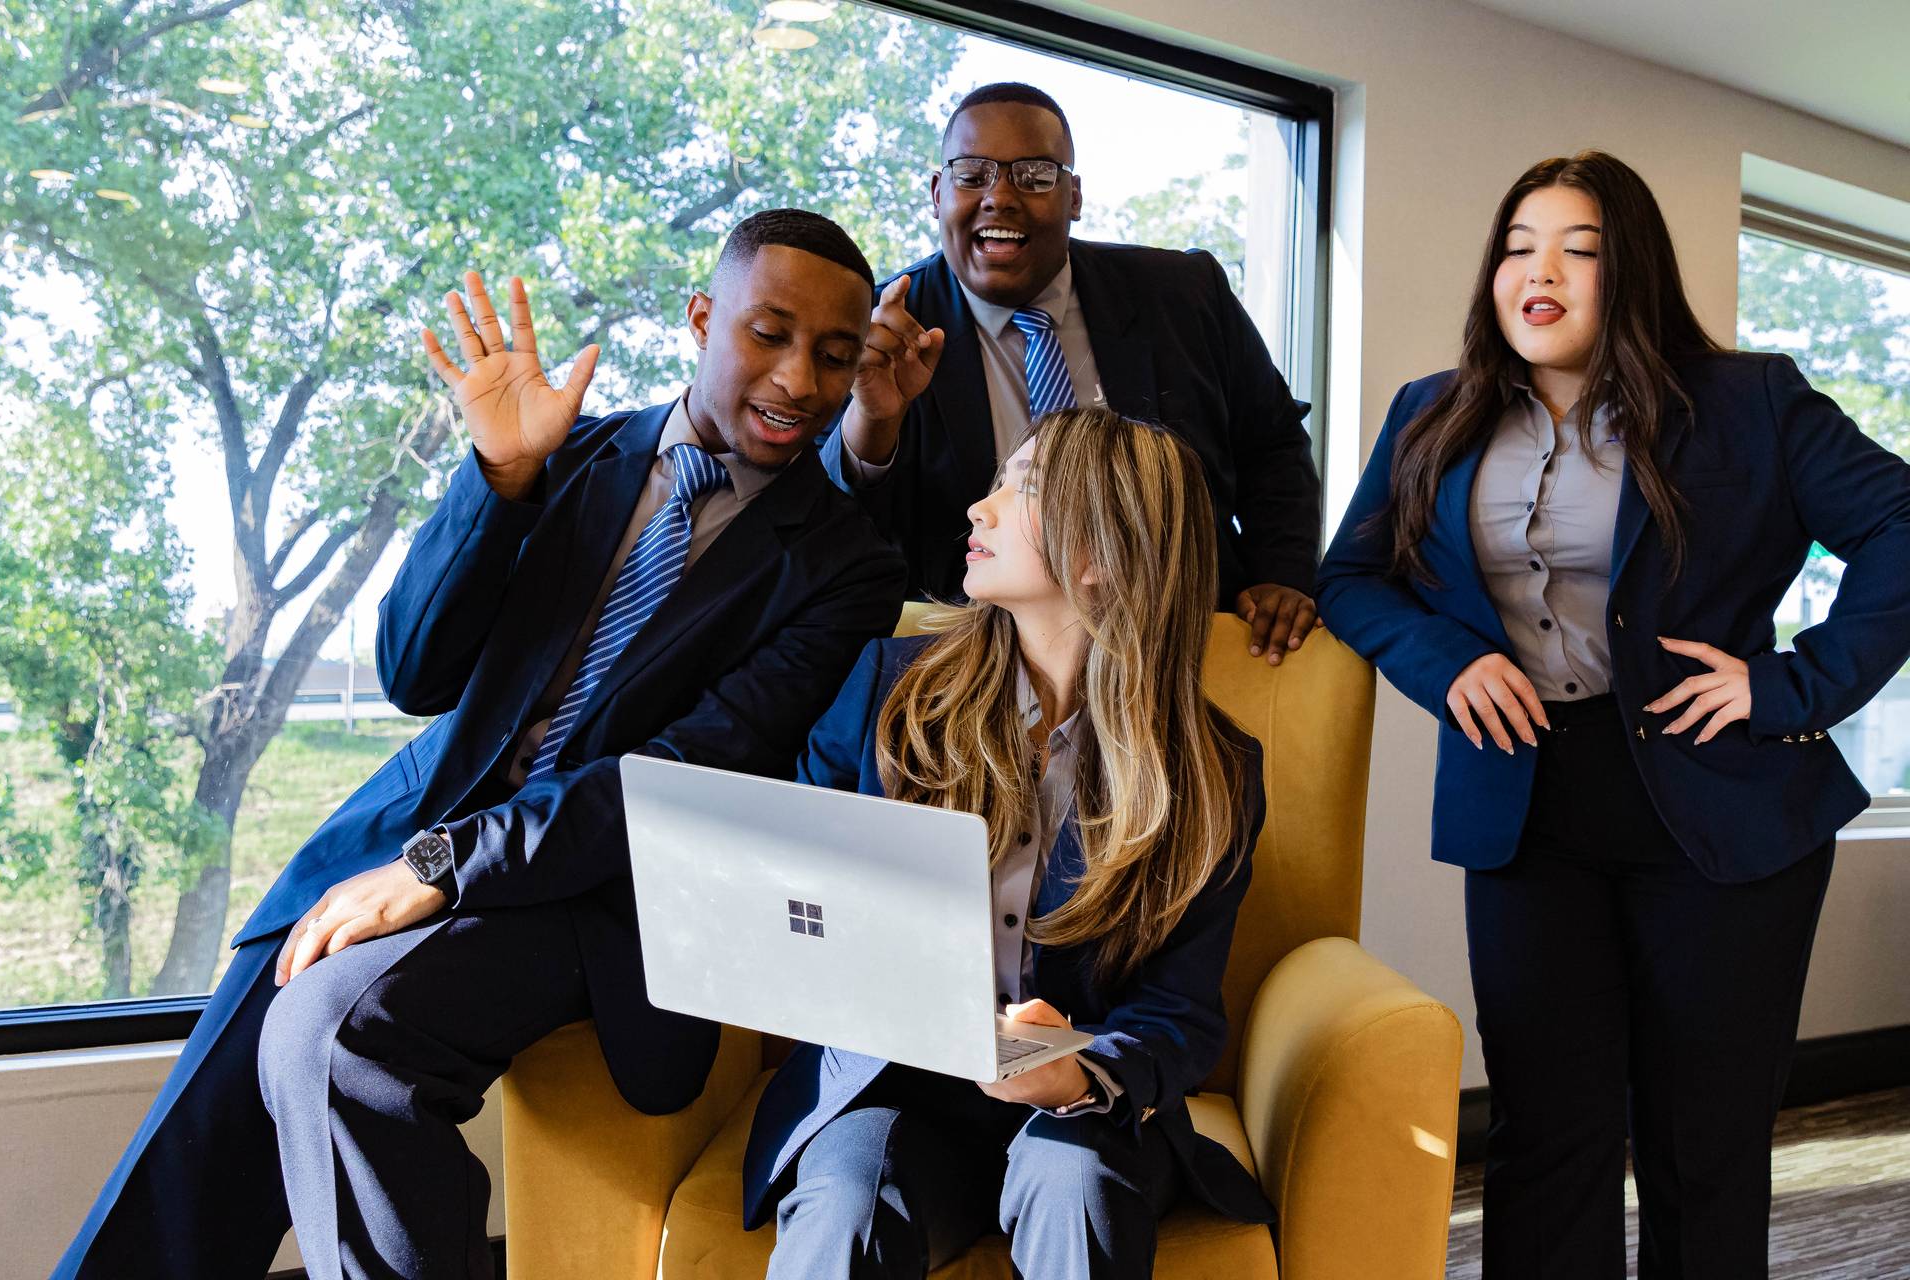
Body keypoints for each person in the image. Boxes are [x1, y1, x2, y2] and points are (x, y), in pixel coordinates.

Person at [54, 209, 907, 1280]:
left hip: (601, 885)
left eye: (835, 356)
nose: (798, 381)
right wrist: (496, 481)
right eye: (769, 334)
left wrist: (442, 868)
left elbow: (685, 777)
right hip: (410, 825)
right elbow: (416, 671)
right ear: (702, 316)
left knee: (333, 1033)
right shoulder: (563, 454)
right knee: (193, 1148)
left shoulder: (845, 567)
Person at [1314, 151, 1910, 1279]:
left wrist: (1789, 683)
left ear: (1628, 271)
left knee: (1702, 1142)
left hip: (1721, 801)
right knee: (1546, 1131)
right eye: (1518, 245)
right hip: (1526, 802)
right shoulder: (1427, 414)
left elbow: (1901, 527)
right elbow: (1351, 577)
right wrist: (1444, 663)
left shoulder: (1751, 400)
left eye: (1579, 249)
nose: (1540, 272)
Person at [746, 406, 1276, 1280]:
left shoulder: (1214, 773)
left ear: (1104, 552)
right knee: (843, 1206)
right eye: (995, 483)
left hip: (1086, 1115)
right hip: (893, 1090)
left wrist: (1076, 1071)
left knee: (1073, 1178)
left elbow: (1181, 1014)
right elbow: (796, 893)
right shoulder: (890, 691)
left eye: (1020, 490)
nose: (976, 510)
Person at [826, 81, 1324, 665]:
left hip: (1182, 648)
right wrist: (872, 419)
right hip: (977, 662)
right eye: (972, 174)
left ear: (1075, 196)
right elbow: (840, 529)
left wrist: (1282, 575)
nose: (1000, 196)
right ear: (938, 193)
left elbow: (1273, 446)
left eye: (1034, 175)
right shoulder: (879, 330)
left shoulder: (1186, 294)